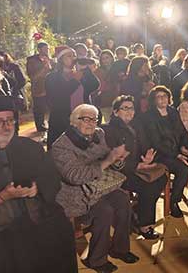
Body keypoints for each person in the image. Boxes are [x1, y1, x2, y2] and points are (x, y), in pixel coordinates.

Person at [0, 96, 77, 273]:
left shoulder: (31, 147)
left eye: (10, 120)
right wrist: (1, 197)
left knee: (61, 231)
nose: (6, 126)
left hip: (38, 215)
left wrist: (37, 189)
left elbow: (52, 178)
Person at [50, 104, 138, 272]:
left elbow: (108, 160)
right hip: (74, 193)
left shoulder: (98, 134)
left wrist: (117, 160)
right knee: (105, 211)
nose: (91, 123)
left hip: (99, 187)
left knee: (122, 199)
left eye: (94, 119)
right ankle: (96, 260)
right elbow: (75, 176)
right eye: (86, 119)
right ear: (74, 121)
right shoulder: (61, 145)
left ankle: (119, 249)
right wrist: (108, 160)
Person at [102, 95, 166, 239]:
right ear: (115, 111)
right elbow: (114, 160)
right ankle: (144, 225)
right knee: (149, 186)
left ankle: (138, 210)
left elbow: (146, 144)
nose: (129, 111)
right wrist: (137, 165)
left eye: (131, 108)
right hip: (120, 172)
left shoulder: (135, 126)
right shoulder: (109, 130)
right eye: (125, 108)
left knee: (161, 178)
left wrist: (147, 157)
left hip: (138, 167)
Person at [141, 86, 188, 217]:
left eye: (164, 96)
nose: (162, 99)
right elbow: (156, 143)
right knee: (183, 169)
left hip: (177, 149)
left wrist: (184, 148)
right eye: (158, 97)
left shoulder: (173, 112)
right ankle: (174, 201)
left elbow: (183, 132)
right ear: (153, 100)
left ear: (169, 98)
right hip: (161, 154)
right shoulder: (149, 117)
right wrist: (177, 155)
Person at [45, 46, 100, 147]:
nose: (73, 58)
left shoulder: (80, 73)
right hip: (62, 117)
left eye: (74, 55)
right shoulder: (52, 77)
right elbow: (58, 96)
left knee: (83, 144)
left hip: (83, 116)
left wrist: (86, 70)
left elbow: (95, 85)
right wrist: (75, 81)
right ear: (61, 59)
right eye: (69, 56)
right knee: (62, 145)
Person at [26, 41, 53, 132]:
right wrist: (44, 69)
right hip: (38, 88)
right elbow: (32, 76)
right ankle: (40, 126)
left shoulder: (50, 59)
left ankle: (51, 123)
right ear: (39, 49)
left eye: (47, 49)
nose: (47, 50)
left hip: (50, 86)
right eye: (45, 49)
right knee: (39, 108)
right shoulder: (32, 60)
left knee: (51, 106)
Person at [95, 50, 118, 118]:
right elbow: (100, 87)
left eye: (107, 57)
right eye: (103, 58)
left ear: (112, 58)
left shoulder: (118, 69)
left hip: (118, 100)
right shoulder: (98, 71)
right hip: (104, 101)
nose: (105, 60)